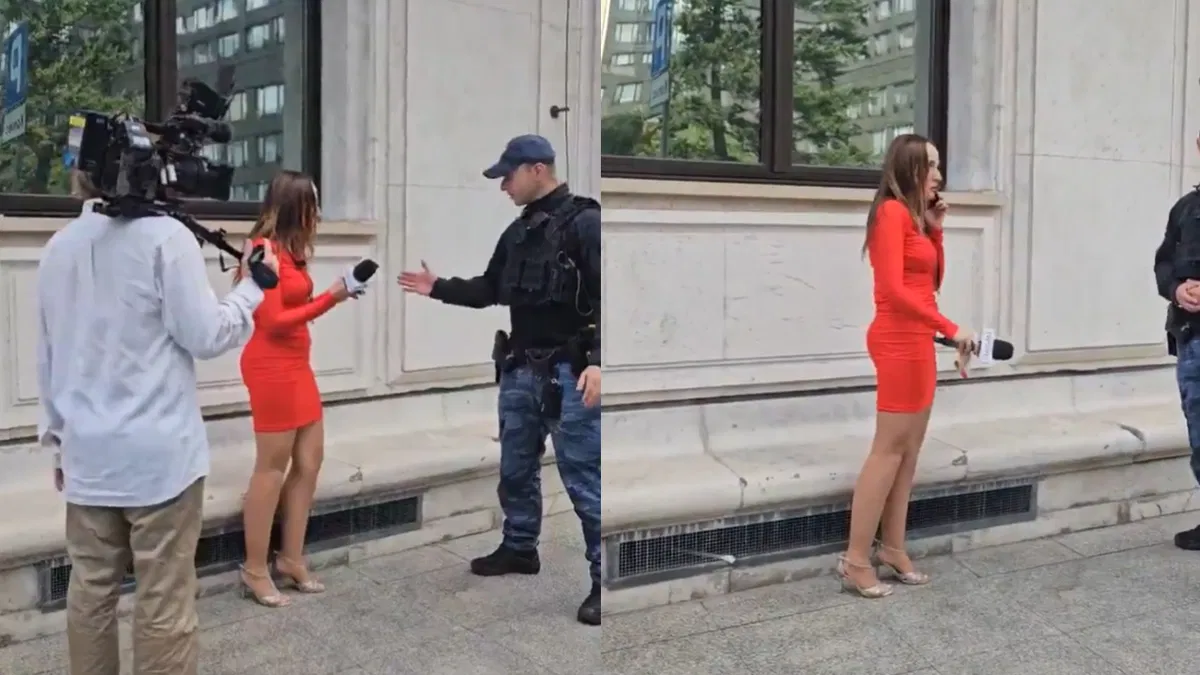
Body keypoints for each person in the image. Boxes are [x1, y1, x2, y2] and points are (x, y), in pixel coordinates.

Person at [37, 170, 277, 674]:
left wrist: (57, 441)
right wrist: (252, 288)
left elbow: (49, 354)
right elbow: (207, 335)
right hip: (160, 461)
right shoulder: (167, 238)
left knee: (90, 594)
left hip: (87, 457)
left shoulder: (59, 245)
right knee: (164, 599)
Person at [397, 134, 602, 625]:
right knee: (515, 470)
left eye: (508, 176)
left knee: (585, 479)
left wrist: (599, 360)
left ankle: (606, 578)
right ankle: (519, 547)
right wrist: (438, 287)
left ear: (537, 169)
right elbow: (491, 288)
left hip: (571, 373)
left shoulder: (586, 223)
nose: (503, 186)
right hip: (521, 370)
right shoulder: (518, 232)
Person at [837, 134, 974, 598]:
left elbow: (929, 282)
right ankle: (856, 559)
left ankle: (893, 549)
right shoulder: (891, 213)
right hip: (897, 341)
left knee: (909, 451)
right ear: (910, 169)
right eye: (930, 166)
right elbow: (895, 291)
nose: (938, 175)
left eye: (938, 165)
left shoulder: (914, 218)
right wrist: (950, 327)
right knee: (888, 450)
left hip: (916, 341)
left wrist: (935, 230)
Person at [236, 171, 360, 606]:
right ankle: (254, 569)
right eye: (312, 204)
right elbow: (271, 321)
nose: (318, 213)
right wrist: (331, 298)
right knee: (271, 467)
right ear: (295, 207)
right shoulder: (262, 251)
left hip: (297, 365)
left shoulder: (292, 251)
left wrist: (334, 294)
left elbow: (295, 309)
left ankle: (290, 558)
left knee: (309, 461)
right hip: (270, 367)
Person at [1155, 136, 1200, 551]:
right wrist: (1176, 289)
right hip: (1190, 338)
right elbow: (1163, 261)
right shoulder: (1185, 207)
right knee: (1199, 433)